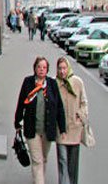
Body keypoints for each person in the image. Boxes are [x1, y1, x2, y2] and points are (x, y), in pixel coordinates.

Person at [14, 56, 66, 184]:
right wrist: (17, 122)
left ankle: (37, 180)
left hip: (47, 130)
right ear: (35, 68)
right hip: (32, 130)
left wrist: (62, 128)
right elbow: (21, 103)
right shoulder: (28, 82)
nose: (41, 69)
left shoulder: (52, 84)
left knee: (43, 159)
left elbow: (59, 107)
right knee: (37, 161)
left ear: (47, 70)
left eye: (44, 67)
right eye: (39, 67)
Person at [55, 56, 88, 184]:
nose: (62, 71)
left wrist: (80, 117)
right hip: (61, 129)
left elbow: (84, 102)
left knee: (72, 164)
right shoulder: (54, 83)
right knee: (62, 160)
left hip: (74, 129)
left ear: (68, 68)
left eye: (64, 68)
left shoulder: (77, 82)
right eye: (60, 68)